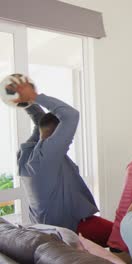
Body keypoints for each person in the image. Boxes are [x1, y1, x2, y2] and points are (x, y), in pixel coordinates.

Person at [13, 76, 112, 247]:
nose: (68, 140)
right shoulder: (47, 158)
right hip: (72, 230)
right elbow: (71, 115)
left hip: (51, 230)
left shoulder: (27, 155)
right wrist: (35, 96)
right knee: (125, 237)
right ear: (55, 134)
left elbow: (40, 122)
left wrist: (26, 101)